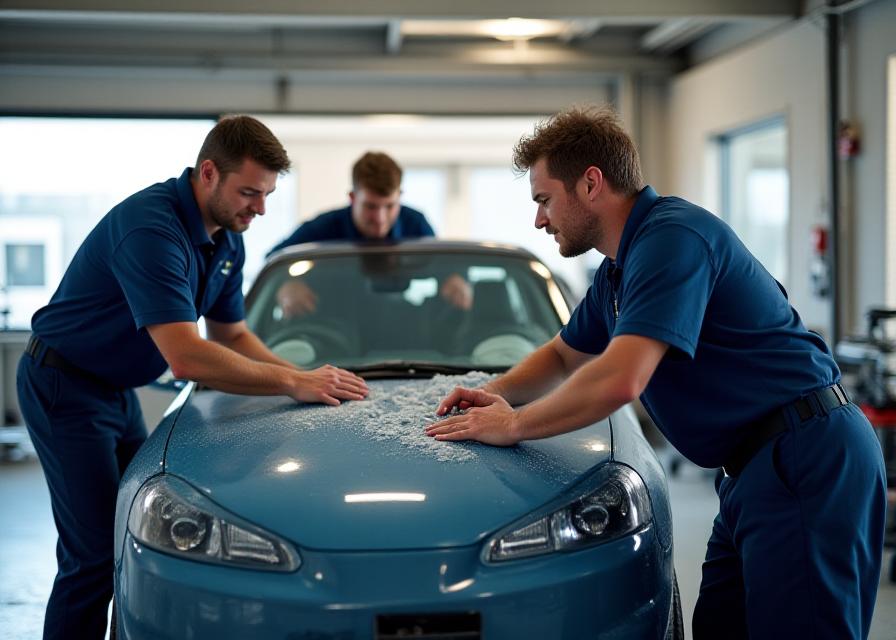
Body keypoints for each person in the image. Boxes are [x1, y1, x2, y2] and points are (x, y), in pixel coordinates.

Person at [427, 106, 886, 639]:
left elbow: (621, 379)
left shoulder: (673, 239)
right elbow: (562, 356)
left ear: (591, 184)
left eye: (544, 200)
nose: (539, 220)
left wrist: (514, 425)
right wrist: (488, 395)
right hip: (750, 470)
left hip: (805, 456)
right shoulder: (617, 271)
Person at [16, 115, 369, 640]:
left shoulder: (227, 238)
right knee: (90, 556)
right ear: (208, 173)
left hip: (115, 389)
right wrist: (292, 384)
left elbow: (232, 335)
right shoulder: (151, 229)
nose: (260, 208)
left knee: (128, 537)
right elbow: (186, 357)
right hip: (63, 385)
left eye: (268, 195)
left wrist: (309, 378)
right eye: (249, 192)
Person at [267, 151, 471, 316]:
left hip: (401, 321)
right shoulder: (324, 227)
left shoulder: (416, 224)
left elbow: (444, 265)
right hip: (335, 320)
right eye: (371, 206)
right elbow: (274, 259)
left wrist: (456, 279)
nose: (380, 219)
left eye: (389, 206)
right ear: (353, 198)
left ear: (400, 197)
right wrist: (286, 284)